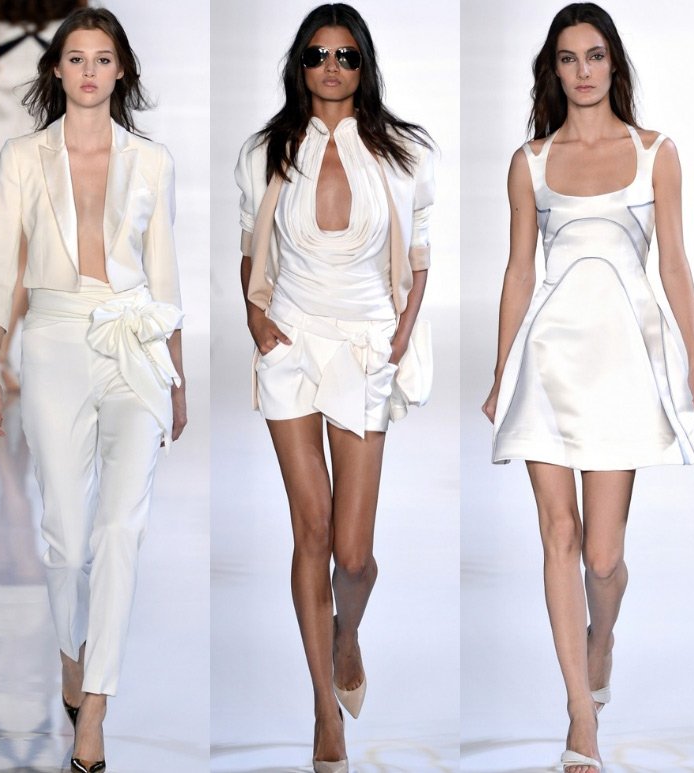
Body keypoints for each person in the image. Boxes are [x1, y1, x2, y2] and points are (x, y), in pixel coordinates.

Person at [482, 3, 694, 771]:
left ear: (613, 63)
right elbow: (520, 270)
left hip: (622, 363)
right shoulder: (530, 161)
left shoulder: (656, 154)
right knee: (559, 534)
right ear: (552, 71)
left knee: (604, 555)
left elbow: (674, 262)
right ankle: (580, 715)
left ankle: (602, 634)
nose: (582, 71)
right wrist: (501, 371)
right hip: (549, 359)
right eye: (567, 58)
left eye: (593, 55)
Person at [0, 7, 186, 772]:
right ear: (57, 69)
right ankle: (73, 655)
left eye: (103, 58)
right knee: (65, 541)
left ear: (121, 69)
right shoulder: (23, 156)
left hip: (134, 346)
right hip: (55, 342)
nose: (90, 71)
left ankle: (93, 706)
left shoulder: (152, 161)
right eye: (76, 58)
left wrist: (179, 377)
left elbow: (164, 274)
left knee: (120, 529)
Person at [235, 4, 434, 769]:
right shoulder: (265, 151)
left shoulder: (405, 153)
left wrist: (403, 332)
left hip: (364, 344)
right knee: (311, 531)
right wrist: (255, 318)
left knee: (353, 554)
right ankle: (325, 710)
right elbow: (249, 247)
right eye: (318, 54)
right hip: (291, 342)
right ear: (300, 64)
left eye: (346, 55)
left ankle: (347, 632)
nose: (331, 66)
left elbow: (419, 258)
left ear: (364, 65)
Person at [0, 0, 86, 391]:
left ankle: (7, 356)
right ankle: (8, 357)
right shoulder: (75, 2)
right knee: (31, 251)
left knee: (14, 249)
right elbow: (78, 68)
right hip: (43, 122)